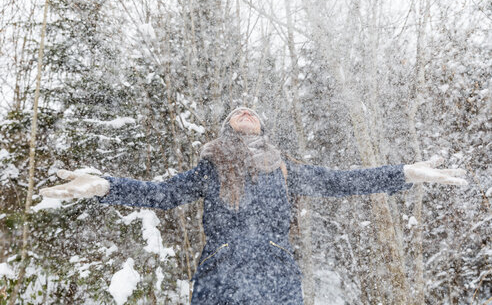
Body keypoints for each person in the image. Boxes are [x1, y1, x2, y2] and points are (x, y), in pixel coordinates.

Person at [40, 107, 468, 304]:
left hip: (276, 276)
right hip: (220, 277)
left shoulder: (284, 169)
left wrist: (405, 174)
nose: (245, 112)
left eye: (252, 112)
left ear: (263, 128)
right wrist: (104, 186)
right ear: (226, 129)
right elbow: (161, 194)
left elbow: (343, 181)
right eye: (236, 112)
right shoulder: (210, 169)